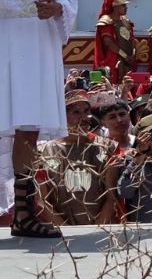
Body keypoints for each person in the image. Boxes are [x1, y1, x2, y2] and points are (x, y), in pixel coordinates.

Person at [0, 0, 78, 237]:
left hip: (38, 39)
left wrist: (58, 7)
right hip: (5, 37)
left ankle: (24, 212)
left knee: (28, 129)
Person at [37, 91, 119, 226]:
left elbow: (112, 197)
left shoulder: (108, 148)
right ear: (61, 117)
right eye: (76, 112)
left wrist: (96, 231)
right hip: (61, 235)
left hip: (102, 232)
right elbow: (42, 202)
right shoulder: (44, 153)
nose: (84, 117)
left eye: (86, 111)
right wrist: (67, 232)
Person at [94, 0, 136, 81]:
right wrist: (124, 56)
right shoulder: (106, 20)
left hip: (127, 61)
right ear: (116, 6)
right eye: (123, 5)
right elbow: (108, 43)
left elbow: (131, 40)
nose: (126, 7)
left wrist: (132, 54)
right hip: (113, 62)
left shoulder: (126, 21)